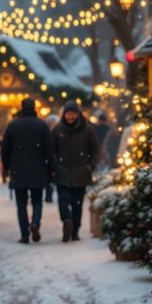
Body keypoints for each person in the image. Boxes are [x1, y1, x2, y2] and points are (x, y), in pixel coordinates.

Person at [2, 97, 54, 243]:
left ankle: (24, 234)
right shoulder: (42, 126)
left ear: (21, 108)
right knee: (37, 201)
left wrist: (6, 168)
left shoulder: (13, 126)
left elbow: (5, 149)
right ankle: (35, 223)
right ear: (34, 108)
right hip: (38, 169)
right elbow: (49, 150)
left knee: (21, 203)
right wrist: (51, 168)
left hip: (18, 169)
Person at [52, 100, 100, 242]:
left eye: (73, 114)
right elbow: (52, 150)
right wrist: (55, 165)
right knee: (62, 201)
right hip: (62, 172)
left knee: (77, 204)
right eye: (68, 114)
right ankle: (67, 220)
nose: (70, 117)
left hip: (81, 174)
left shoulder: (87, 129)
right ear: (64, 114)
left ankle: (75, 231)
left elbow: (95, 149)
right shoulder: (57, 130)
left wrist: (90, 166)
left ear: (78, 114)